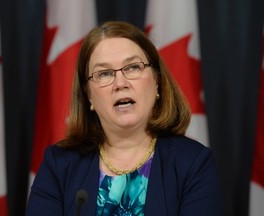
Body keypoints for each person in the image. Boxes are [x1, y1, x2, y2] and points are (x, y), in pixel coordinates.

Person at [26, 21, 222, 216]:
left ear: (156, 83)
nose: (120, 83)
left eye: (133, 67)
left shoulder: (193, 163)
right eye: (104, 73)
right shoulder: (59, 165)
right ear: (89, 96)